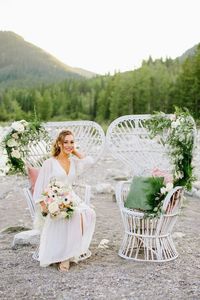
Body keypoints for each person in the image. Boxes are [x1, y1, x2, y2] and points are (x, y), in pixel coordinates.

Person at [33, 130, 96, 271]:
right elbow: (39, 186)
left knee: (89, 213)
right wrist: (43, 204)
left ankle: (72, 249)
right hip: (53, 198)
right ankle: (64, 257)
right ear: (59, 144)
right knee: (73, 215)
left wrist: (74, 152)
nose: (69, 145)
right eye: (66, 142)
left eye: (72, 142)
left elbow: (90, 162)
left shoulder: (73, 162)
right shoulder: (50, 163)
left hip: (71, 197)